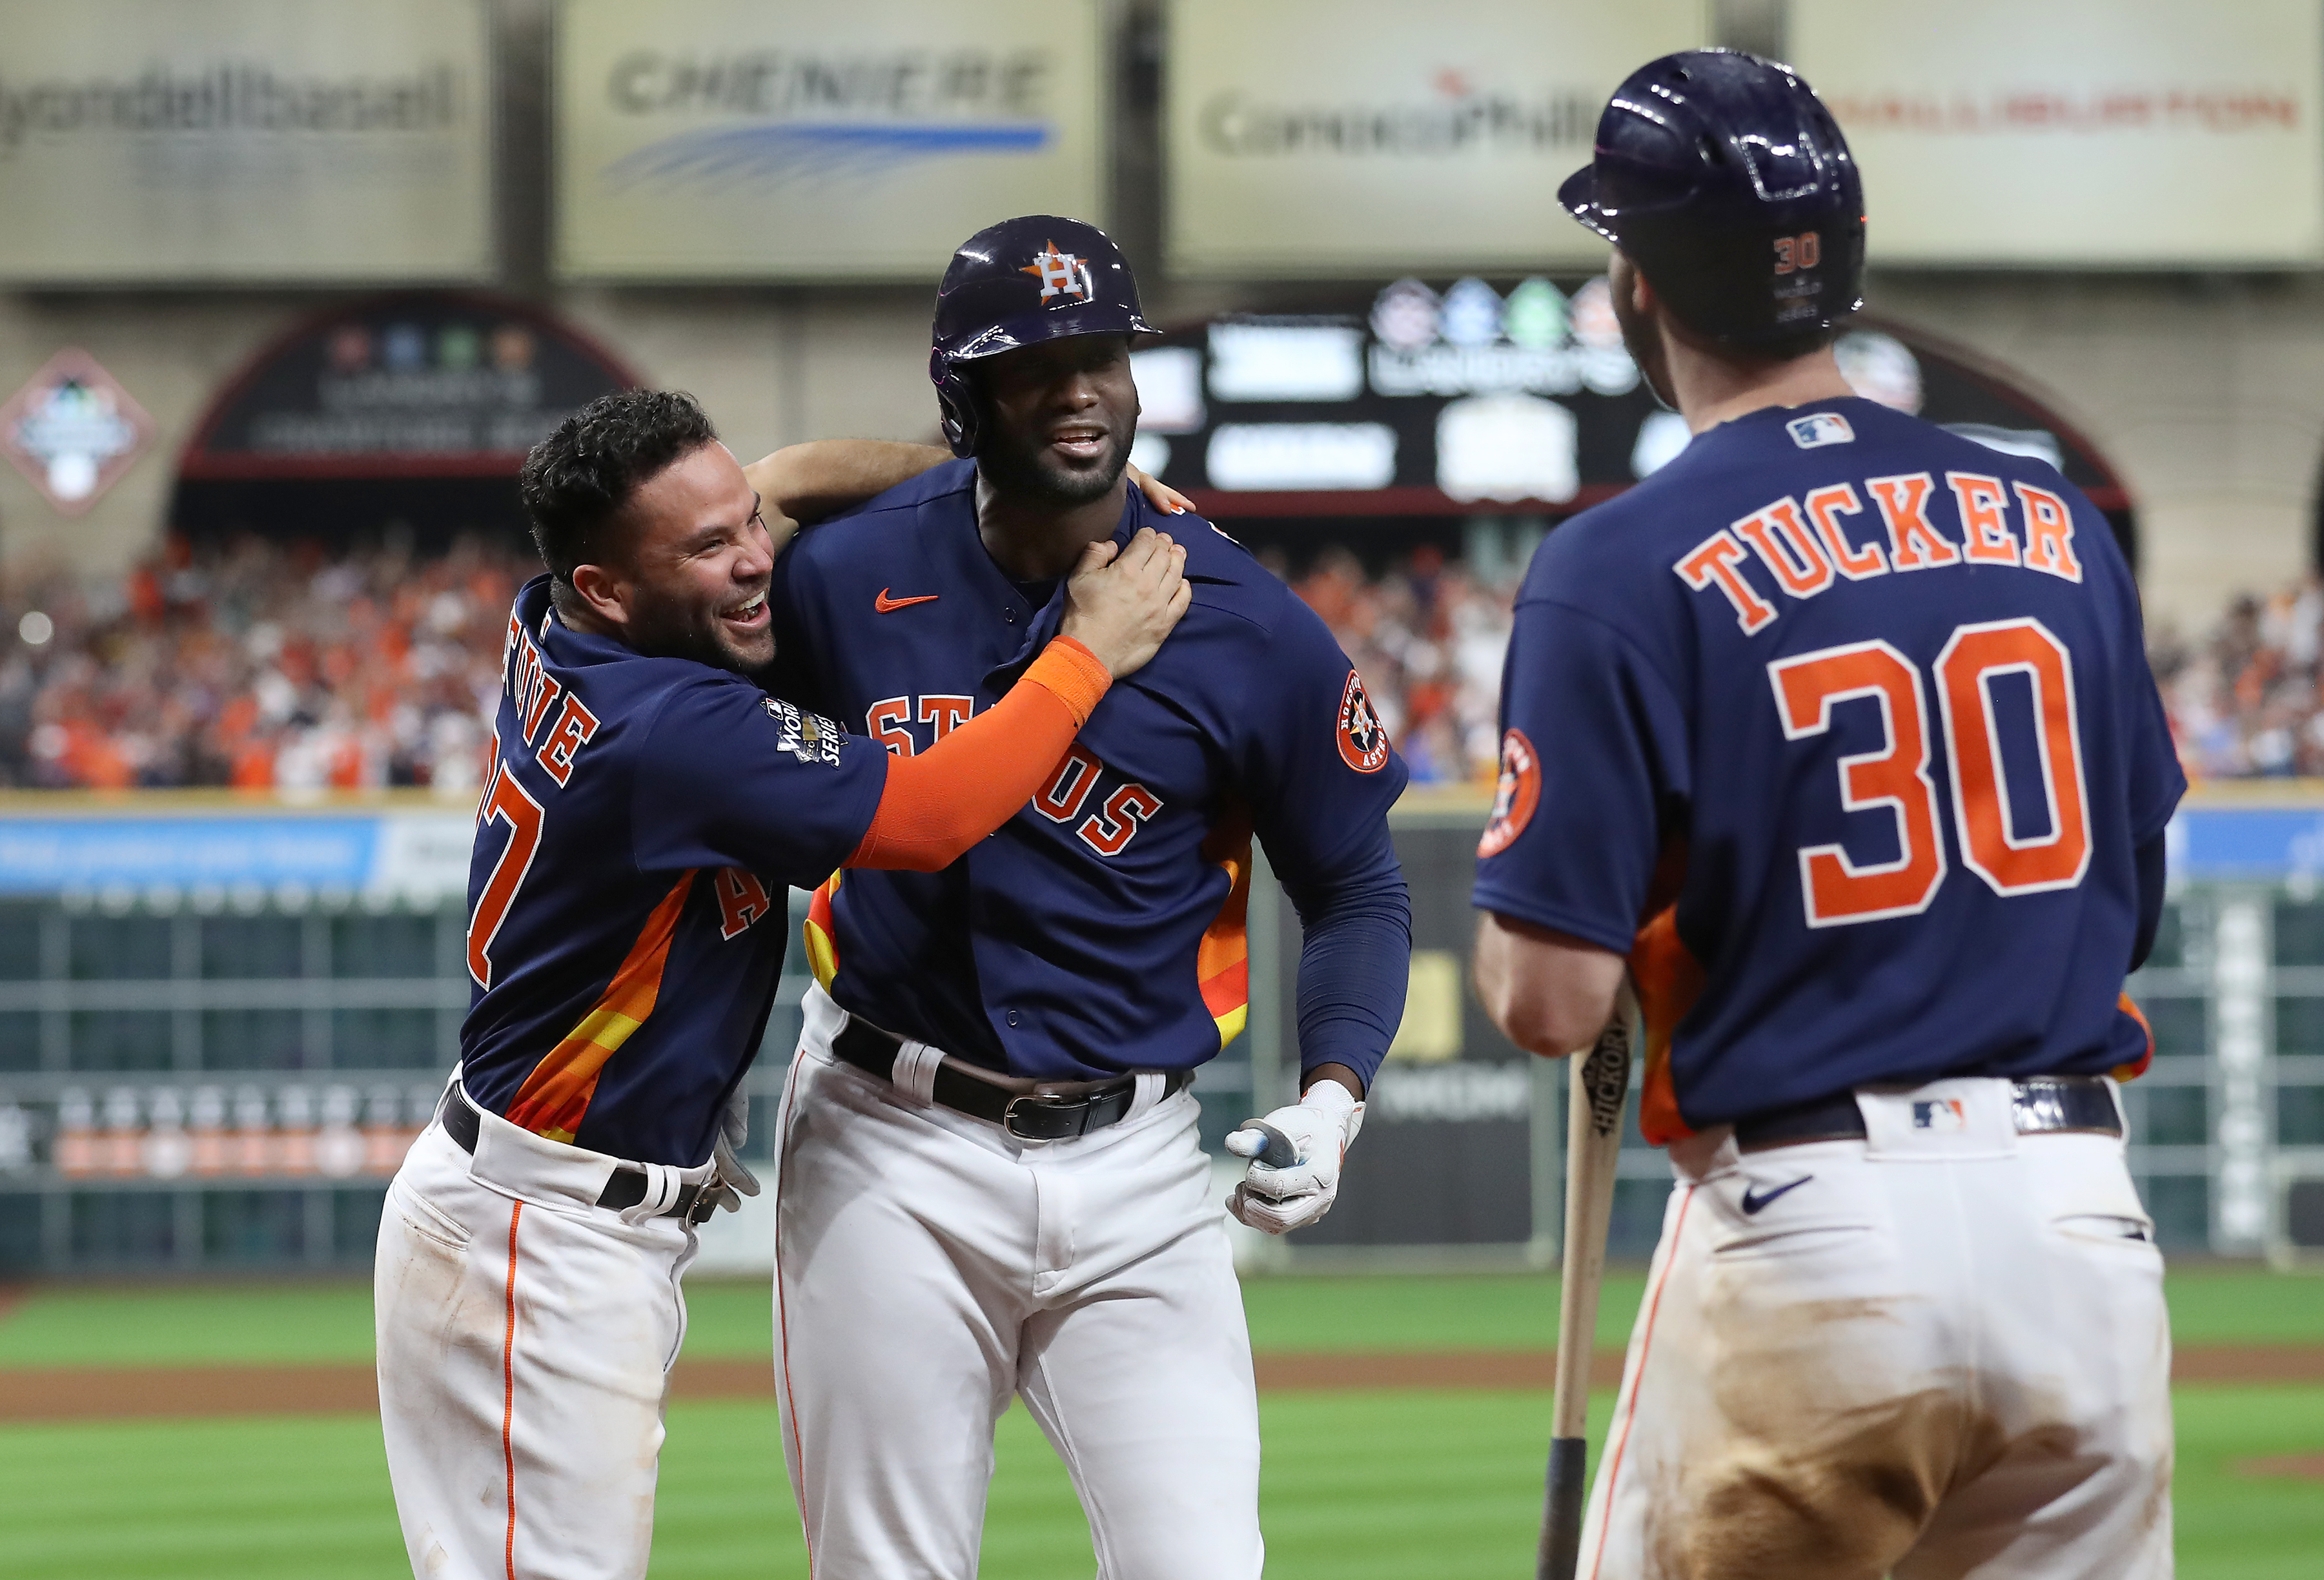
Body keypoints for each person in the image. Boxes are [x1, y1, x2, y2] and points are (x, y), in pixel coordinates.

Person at [1471, 51, 2181, 1580]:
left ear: (1638, 288)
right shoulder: (2057, 526)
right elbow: (2132, 887)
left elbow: (1549, 1001)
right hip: (2082, 1223)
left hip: (1820, 1228)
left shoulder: (1616, 564)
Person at [373, 388, 1192, 1580]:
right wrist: (1088, 653)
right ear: (608, 584)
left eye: (744, 521)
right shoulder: (662, 724)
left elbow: (796, 469)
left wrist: (1008, 489)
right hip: (536, 1239)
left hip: (550, 1212)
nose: (757, 556)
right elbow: (927, 815)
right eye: (711, 547)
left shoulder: (566, 615)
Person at [759, 215, 1414, 1578]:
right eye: (1034, 363)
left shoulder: (1247, 625)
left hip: (1136, 1164)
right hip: (891, 1139)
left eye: (1104, 355)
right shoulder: (843, 575)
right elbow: (708, 808)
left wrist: (1335, 1096)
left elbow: (1354, 883)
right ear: (965, 398)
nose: (1079, 389)